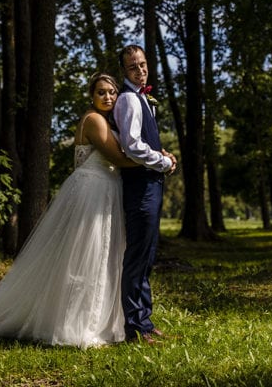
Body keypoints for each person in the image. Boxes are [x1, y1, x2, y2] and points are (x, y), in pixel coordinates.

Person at [0, 73, 138, 348]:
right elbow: (118, 157)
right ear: (92, 96)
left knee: (102, 256)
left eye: (112, 92)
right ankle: (76, 324)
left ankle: (98, 320)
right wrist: (157, 161)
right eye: (101, 92)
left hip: (106, 190)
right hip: (92, 192)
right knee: (86, 255)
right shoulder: (94, 120)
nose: (108, 97)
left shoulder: (108, 120)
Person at [114, 44, 177, 344]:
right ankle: (134, 328)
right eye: (133, 67)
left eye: (142, 64)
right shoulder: (128, 100)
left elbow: (145, 143)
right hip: (140, 188)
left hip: (152, 184)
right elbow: (132, 146)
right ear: (124, 71)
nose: (140, 70)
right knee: (137, 257)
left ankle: (146, 321)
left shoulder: (144, 99)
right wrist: (162, 162)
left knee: (148, 255)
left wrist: (162, 154)